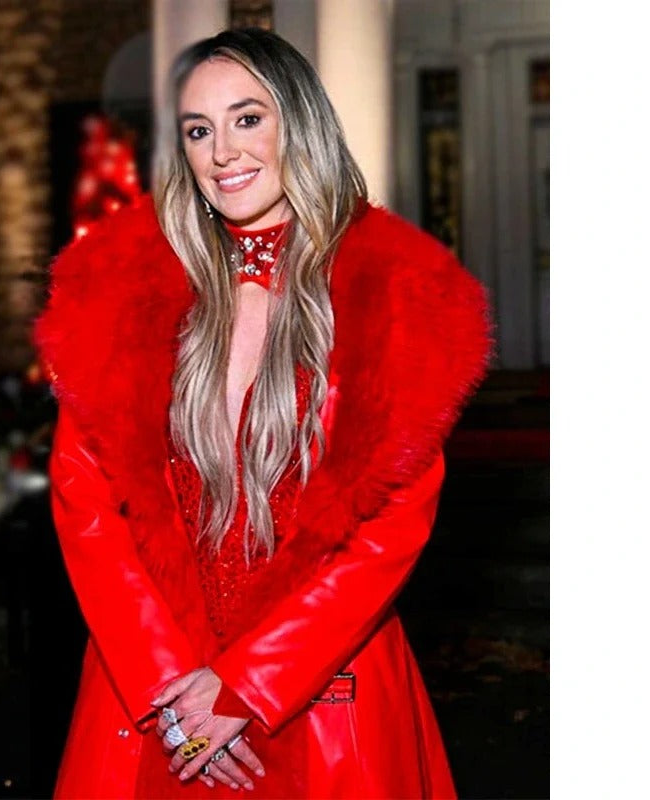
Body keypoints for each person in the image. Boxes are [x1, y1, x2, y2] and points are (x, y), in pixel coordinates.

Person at [35, 27, 491, 800]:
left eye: (248, 118)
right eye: (198, 130)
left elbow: (390, 526)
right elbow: (86, 502)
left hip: (326, 687)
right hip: (152, 691)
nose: (223, 153)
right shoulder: (119, 296)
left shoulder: (393, 299)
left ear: (299, 123)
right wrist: (174, 687)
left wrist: (247, 685)